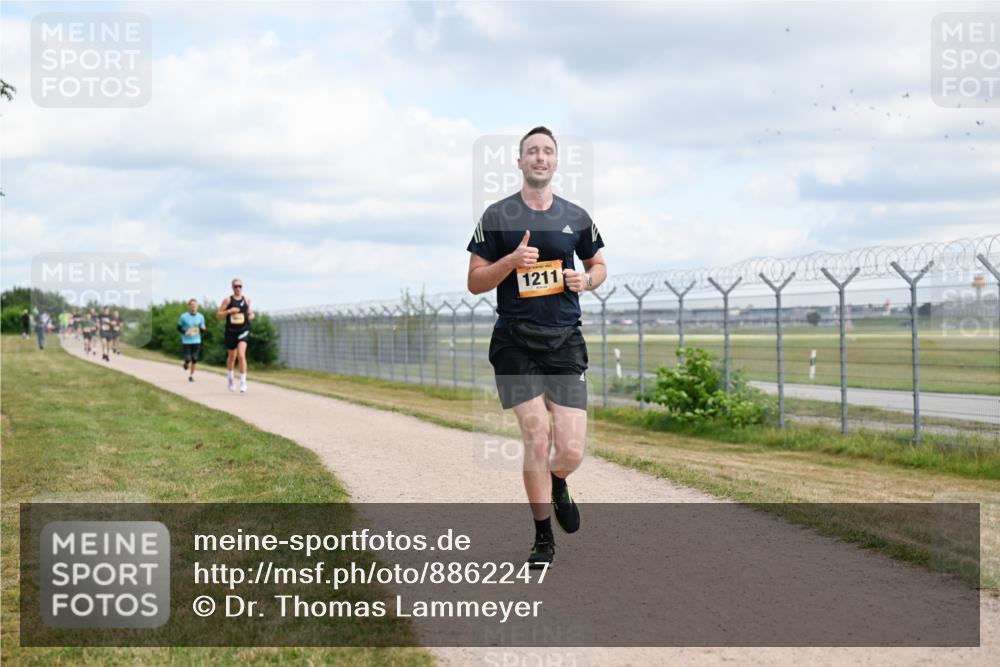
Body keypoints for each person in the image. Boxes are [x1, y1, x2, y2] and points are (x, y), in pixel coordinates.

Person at [466, 126, 607, 569]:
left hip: (565, 341)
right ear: (519, 161)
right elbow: (473, 283)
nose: (540, 158)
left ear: (557, 161)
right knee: (536, 434)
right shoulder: (497, 215)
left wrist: (586, 280)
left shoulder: (577, 216)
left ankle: (558, 480)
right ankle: (543, 537)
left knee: (569, 450)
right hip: (515, 342)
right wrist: (509, 262)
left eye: (547, 151)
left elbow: (599, 265)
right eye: (532, 152)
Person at [217, 279, 254, 393]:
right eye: (235, 286)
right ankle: (230, 379)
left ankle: (243, 382)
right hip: (231, 332)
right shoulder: (228, 300)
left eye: (240, 286)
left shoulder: (247, 299)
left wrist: (252, 315)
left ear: (242, 287)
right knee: (232, 357)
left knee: (241, 355)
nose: (238, 288)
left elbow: (249, 313)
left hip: (243, 330)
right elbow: (218, 315)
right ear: (232, 287)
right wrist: (229, 311)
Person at [177, 299, 206, 382]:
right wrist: (185, 332)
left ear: (197, 306)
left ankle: (191, 376)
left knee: (195, 358)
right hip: (186, 341)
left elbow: (202, 328)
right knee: (188, 359)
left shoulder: (201, 316)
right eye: (192, 305)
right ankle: (186, 363)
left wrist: (203, 328)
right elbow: (178, 327)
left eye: (195, 305)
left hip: (197, 340)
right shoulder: (183, 316)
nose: (193, 306)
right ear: (189, 306)